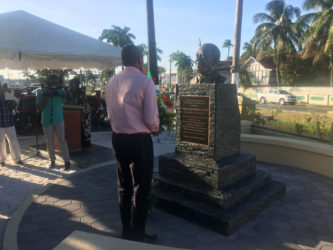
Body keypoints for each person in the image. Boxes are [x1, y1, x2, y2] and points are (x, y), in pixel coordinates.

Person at [105, 45, 160, 243]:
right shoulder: (145, 82)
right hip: (139, 141)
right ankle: (138, 233)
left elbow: (110, 112)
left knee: (124, 186)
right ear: (138, 59)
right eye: (142, 59)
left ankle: (126, 230)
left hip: (118, 138)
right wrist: (155, 128)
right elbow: (150, 119)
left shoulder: (111, 82)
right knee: (142, 187)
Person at [36, 74, 70, 170]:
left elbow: (68, 99)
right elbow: (39, 107)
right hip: (46, 120)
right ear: (48, 81)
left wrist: (64, 88)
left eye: (55, 81)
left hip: (58, 119)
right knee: (49, 142)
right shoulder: (41, 92)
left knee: (62, 140)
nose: (53, 83)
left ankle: (67, 161)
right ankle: (52, 161)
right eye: (52, 81)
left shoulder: (61, 91)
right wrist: (46, 96)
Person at [0, 83, 23, 166]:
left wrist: (15, 97)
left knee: (13, 140)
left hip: (9, 121)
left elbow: (13, 107)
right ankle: (2, 160)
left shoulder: (8, 95)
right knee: (0, 142)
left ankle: (17, 159)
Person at [68, 78, 91, 148]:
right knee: (79, 128)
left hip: (85, 112)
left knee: (85, 128)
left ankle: (85, 144)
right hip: (77, 113)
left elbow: (82, 104)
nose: (70, 86)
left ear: (76, 85)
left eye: (71, 84)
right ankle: (79, 143)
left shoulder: (81, 92)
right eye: (69, 84)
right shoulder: (71, 91)